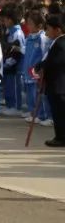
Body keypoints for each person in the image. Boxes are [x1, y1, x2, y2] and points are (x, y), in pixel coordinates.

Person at [34, 14, 65, 147]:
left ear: (57, 30)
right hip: (58, 84)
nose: (46, 32)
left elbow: (55, 63)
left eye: (48, 29)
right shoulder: (57, 42)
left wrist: (41, 67)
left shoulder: (60, 43)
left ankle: (61, 137)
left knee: (59, 113)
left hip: (59, 85)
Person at [22, 10, 51, 126]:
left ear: (39, 26)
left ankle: (44, 115)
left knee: (39, 94)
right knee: (31, 95)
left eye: (30, 23)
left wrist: (41, 70)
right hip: (28, 70)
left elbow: (45, 54)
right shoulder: (29, 37)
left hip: (37, 71)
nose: (27, 26)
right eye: (27, 23)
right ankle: (35, 113)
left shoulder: (42, 38)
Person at [0, 7, 25, 116]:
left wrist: (7, 64)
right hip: (8, 66)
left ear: (10, 20)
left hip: (14, 67)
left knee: (14, 87)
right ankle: (10, 105)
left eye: (4, 20)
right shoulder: (10, 31)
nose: (3, 23)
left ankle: (16, 107)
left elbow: (16, 53)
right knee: (8, 87)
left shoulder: (17, 33)